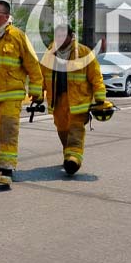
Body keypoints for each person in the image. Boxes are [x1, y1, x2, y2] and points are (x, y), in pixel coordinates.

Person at [0, 0, 44, 186]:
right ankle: (1, 166)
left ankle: (8, 169)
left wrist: (36, 89)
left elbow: (32, 64)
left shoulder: (18, 36)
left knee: (8, 129)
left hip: (12, 93)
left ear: (7, 16)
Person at [40, 25, 108, 175]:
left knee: (75, 130)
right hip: (58, 101)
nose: (59, 39)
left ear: (71, 37)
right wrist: (38, 93)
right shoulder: (49, 53)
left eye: (63, 36)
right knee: (62, 130)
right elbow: (42, 74)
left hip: (78, 101)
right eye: (57, 36)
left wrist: (100, 97)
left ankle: (74, 160)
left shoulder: (84, 53)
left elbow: (96, 77)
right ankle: (69, 153)